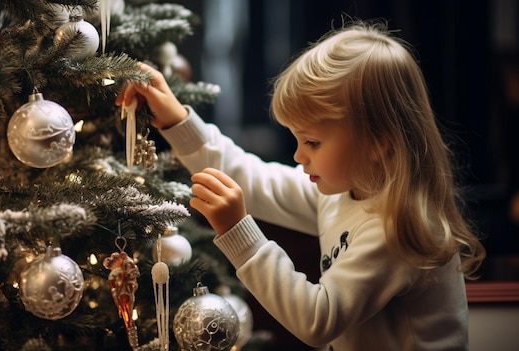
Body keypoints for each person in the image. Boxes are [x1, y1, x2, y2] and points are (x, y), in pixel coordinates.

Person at [116, 20, 486, 351]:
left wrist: (238, 234)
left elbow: (317, 321)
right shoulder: (343, 190)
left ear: (378, 143)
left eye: (312, 142)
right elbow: (252, 178)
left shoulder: (395, 229)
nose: (298, 156)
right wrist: (177, 119)